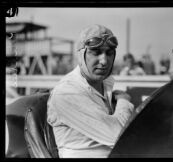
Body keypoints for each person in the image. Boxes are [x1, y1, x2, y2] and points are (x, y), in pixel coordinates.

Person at [47, 24, 138, 158]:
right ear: (81, 54)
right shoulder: (67, 91)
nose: (104, 61)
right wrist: (124, 101)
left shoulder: (105, 84)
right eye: (96, 52)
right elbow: (118, 136)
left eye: (109, 53)